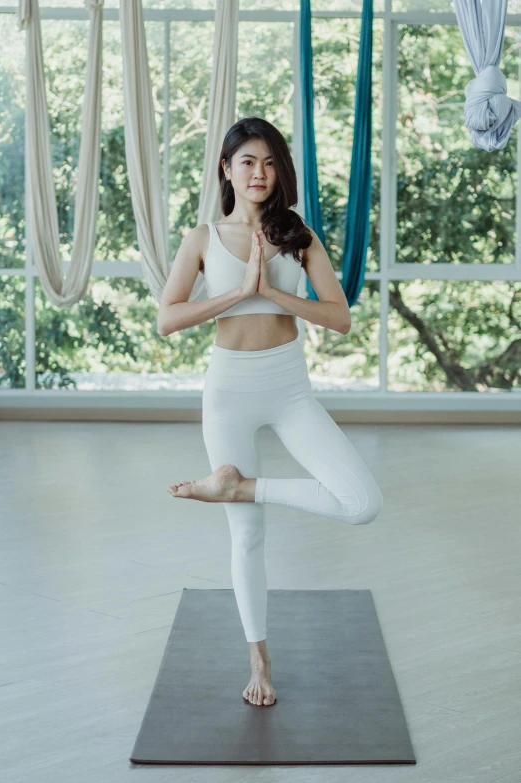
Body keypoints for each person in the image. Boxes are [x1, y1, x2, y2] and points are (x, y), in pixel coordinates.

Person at [158, 117, 383, 708]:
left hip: (290, 388)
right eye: (247, 161)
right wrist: (236, 292)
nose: (259, 172)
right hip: (229, 389)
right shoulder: (203, 237)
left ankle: (240, 485)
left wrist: (271, 290)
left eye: (269, 162)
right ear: (226, 169)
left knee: (363, 505)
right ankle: (259, 657)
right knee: (247, 536)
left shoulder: (297, 235)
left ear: (279, 170)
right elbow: (168, 318)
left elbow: (338, 316)